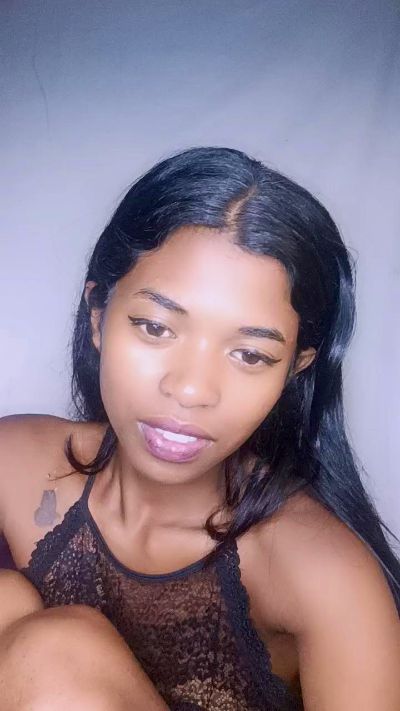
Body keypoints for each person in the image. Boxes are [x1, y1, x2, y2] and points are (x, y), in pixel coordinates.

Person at [0, 146, 399, 711]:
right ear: (98, 316)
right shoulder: (14, 465)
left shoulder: (325, 576)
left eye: (250, 355)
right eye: (155, 327)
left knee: (52, 656)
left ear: (294, 370)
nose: (190, 389)